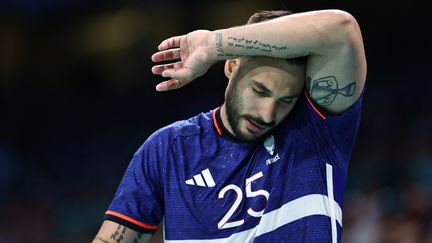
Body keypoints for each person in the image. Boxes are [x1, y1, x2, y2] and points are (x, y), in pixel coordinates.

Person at [93, 8, 367, 243]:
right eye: (259, 91)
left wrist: (213, 44)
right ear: (231, 66)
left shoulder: (314, 129)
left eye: (286, 100)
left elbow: (341, 31)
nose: (268, 114)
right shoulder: (168, 149)